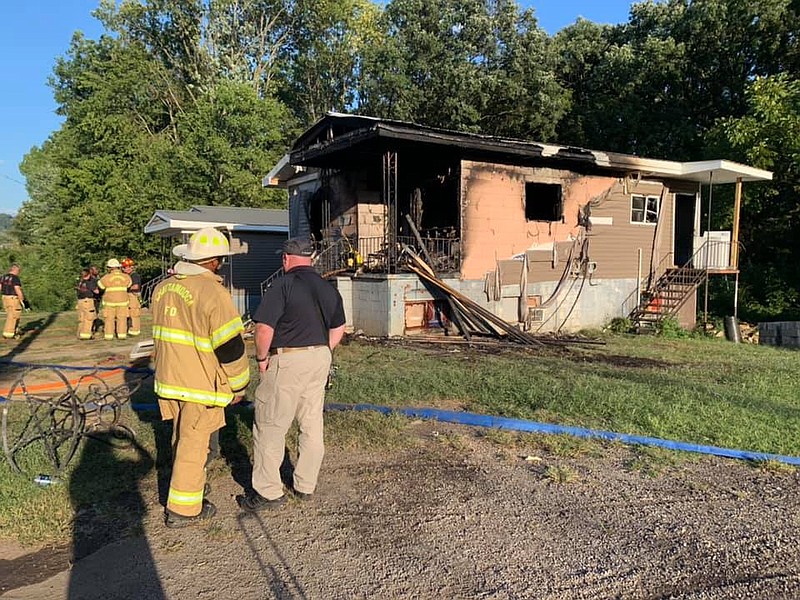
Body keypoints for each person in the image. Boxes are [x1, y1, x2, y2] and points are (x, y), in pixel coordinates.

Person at [152, 227, 250, 528]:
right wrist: (239, 384)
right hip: (198, 382)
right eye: (219, 260)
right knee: (195, 444)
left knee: (181, 438)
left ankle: (190, 486)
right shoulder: (211, 292)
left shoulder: (163, 287)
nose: (220, 265)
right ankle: (183, 510)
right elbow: (230, 345)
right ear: (210, 261)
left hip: (169, 378)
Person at [239, 238, 346, 511]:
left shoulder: (282, 285)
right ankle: (305, 485)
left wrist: (262, 358)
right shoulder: (328, 287)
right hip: (320, 357)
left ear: (286, 258)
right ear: (310, 259)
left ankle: (268, 493)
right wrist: (324, 350)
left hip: (288, 360)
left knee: (271, 425)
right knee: (311, 423)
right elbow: (339, 327)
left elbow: (263, 329)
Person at [97, 259, 132, 341]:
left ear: (109, 268)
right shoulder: (126, 277)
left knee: (109, 319)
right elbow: (129, 285)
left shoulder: (106, 277)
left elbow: (101, 286)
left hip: (109, 302)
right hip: (123, 302)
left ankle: (109, 336)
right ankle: (122, 335)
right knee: (122, 319)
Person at [1, 264, 25, 339]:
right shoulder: (15, 278)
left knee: (10, 314)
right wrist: (22, 299)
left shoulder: (3, 277)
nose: (19, 272)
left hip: (5, 297)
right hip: (13, 298)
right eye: (18, 270)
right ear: (15, 270)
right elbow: (17, 289)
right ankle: (9, 333)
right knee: (14, 315)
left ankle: (15, 330)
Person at [75, 268, 99, 340]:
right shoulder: (89, 282)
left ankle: (79, 333)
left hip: (80, 301)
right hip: (87, 301)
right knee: (89, 318)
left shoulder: (79, 281)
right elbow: (96, 291)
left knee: (81, 319)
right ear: (89, 274)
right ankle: (86, 335)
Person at [121, 258, 142, 336]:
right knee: (127, 313)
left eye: (127, 267)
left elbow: (136, 286)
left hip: (133, 296)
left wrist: (124, 288)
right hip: (127, 296)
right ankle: (129, 328)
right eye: (124, 267)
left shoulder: (134, 275)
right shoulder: (126, 276)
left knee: (134, 313)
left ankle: (135, 330)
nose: (125, 269)